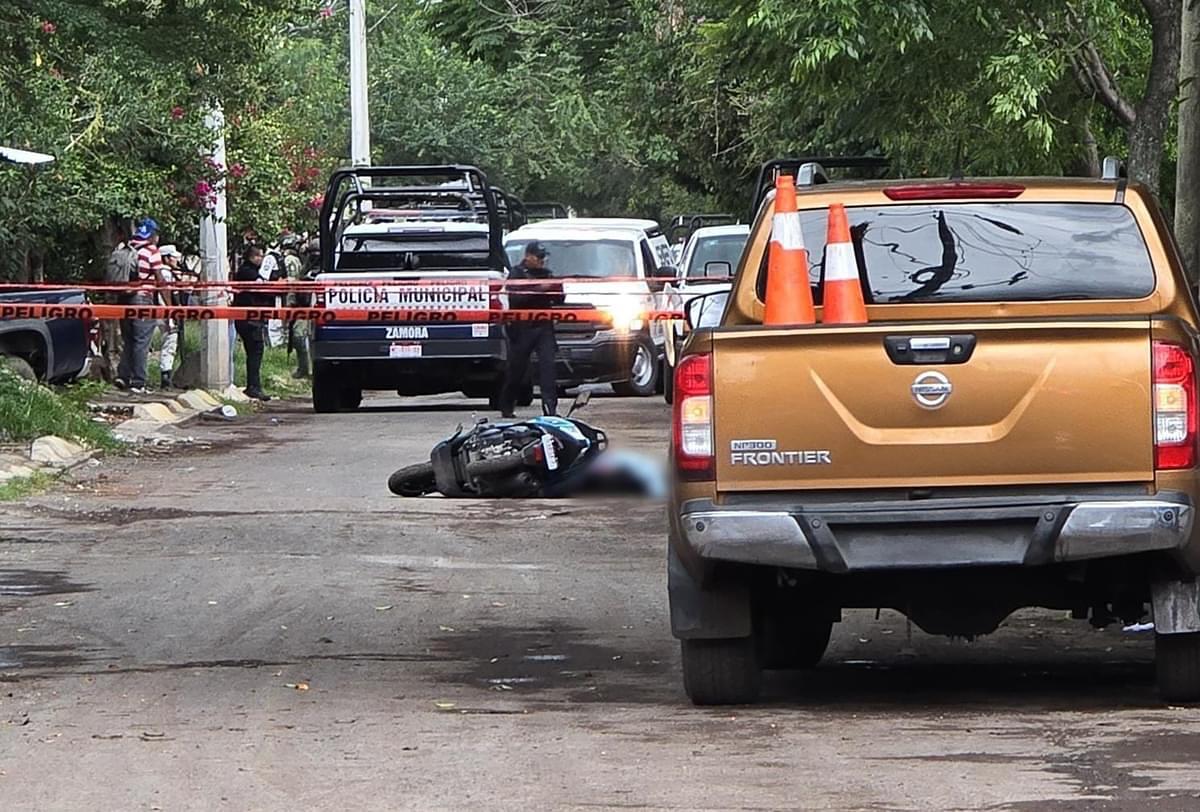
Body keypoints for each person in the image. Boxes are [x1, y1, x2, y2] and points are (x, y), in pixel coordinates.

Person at [498, 241, 563, 417]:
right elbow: (517, 298)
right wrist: (539, 289)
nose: (542, 261)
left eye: (544, 257)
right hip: (522, 327)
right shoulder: (517, 273)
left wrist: (556, 288)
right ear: (528, 256)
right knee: (517, 369)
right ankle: (507, 404)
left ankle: (550, 408)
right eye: (539, 257)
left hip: (544, 327)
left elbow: (559, 300)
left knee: (548, 367)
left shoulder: (547, 274)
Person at [116, 218, 165, 393]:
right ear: (152, 235)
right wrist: (169, 305)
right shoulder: (151, 251)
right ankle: (138, 382)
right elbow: (160, 279)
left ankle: (123, 376)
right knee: (142, 342)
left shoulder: (128, 248)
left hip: (124, 300)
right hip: (143, 299)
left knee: (129, 340)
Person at [233, 245, 275, 401]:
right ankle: (253, 387)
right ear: (253, 257)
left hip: (252, 317)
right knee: (255, 351)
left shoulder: (250, 271)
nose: (262, 259)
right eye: (260, 256)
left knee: (255, 351)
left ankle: (254, 386)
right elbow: (261, 287)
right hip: (248, 318)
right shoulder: (247, 272)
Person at [154, 245, 187, 389]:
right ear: (166, 258)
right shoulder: (165, 273)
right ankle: (165, 377)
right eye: (173, 257)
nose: (176, 260)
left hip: (162, 312)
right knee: (170, 343)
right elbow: (167, 294)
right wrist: (171, 313)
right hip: (166, 313)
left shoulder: (164, 271)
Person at [279, 233, 310, 378]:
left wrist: (290, 304)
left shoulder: (291, 260)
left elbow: (292, 283)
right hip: (301, 302)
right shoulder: (295, 260)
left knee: (298, 335)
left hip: (300, 303)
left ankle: (304, 369)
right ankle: (304, 368)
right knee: (298, 336)